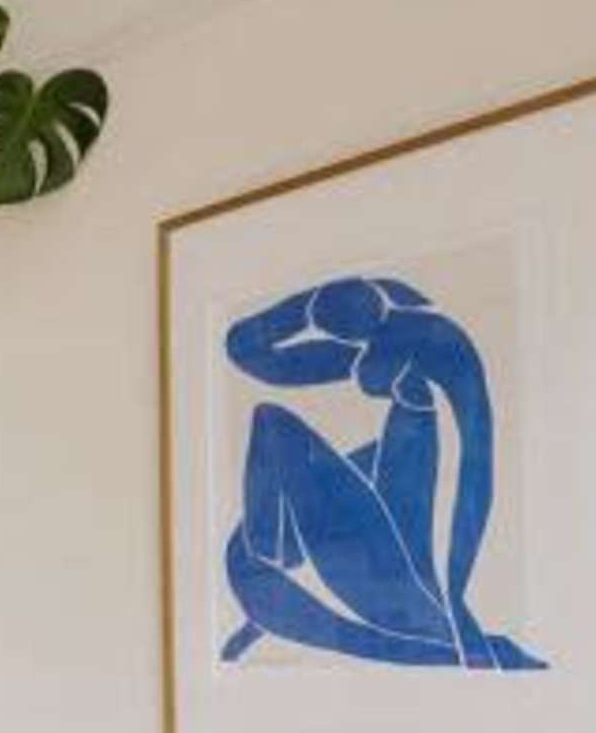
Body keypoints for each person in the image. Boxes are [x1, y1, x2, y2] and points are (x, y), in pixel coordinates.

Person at [220, 272, 541, 671]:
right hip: (406, 585)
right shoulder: (427, 359)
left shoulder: (404, 350)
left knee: (272, 422)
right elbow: (248, 351)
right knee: (370, 455)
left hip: (396, 585)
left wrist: (456, 609)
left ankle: (273, 556)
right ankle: (273, 576)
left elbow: (249, 350)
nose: (359, 369)